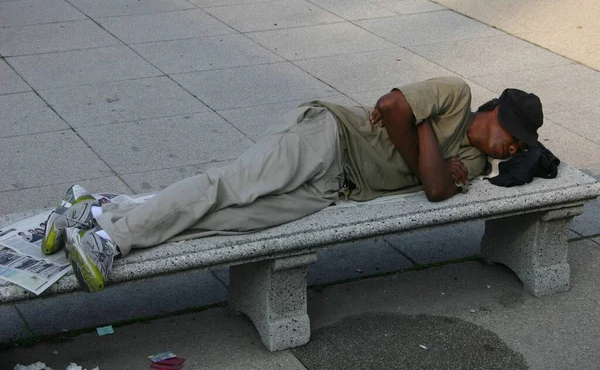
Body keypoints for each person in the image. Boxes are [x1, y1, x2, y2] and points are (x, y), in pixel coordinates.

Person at [41, 77, 543, 293]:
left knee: (227, 220)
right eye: (512, 136)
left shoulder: (474, 162)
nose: (510, 150)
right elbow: (391, 108)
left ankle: (95, 208)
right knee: (226, 186)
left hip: (335, 189)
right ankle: (106, 240)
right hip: (327, 137)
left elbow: (432, 186)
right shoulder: (456, 94)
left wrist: (420, 125)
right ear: (493, 110)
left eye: (519, 150)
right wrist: (421, 137)